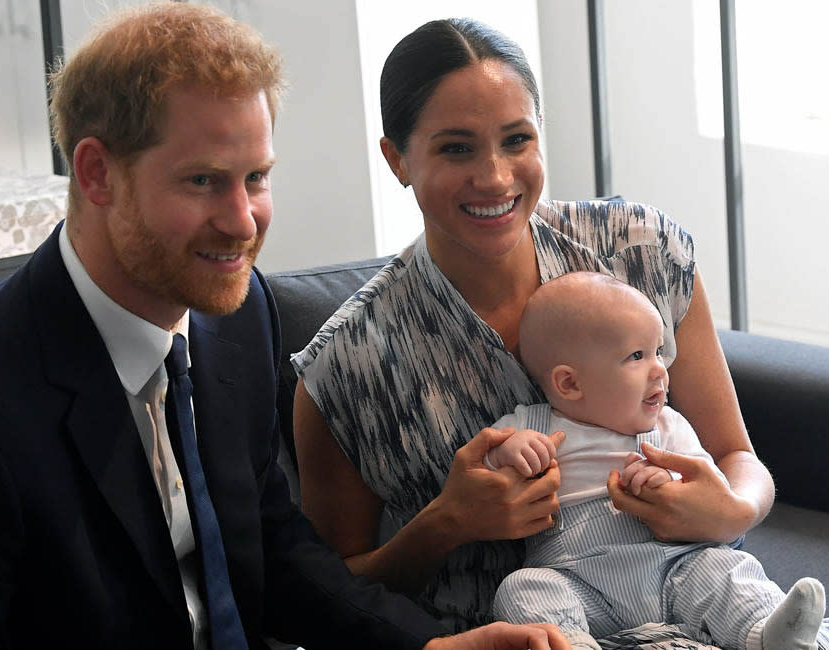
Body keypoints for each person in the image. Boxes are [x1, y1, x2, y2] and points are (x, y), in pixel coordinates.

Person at [0, 5, 571, 649]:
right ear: (97, 172)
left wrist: (430, 645)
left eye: (257, 178)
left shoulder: (237, 316)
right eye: (204, 182)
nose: (244, 223)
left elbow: (273, 552)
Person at [292, 17, 777, 635]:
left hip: (696, 612)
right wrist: (446, 523)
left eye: (517, 139)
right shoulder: (346, 365)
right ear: (397, 159)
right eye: (456, 147)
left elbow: (738, 455)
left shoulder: (642, 252)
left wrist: (731, 510)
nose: (495, 177)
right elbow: (325, 597)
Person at [485, 271, 829, 650]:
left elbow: (707, 488)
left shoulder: (669, 427)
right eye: (636, 356)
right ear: (569, 384)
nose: (659, 369)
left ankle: (767, 634)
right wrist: (509, 452)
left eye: (658, 351)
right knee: (522, 588)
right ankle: (571, 643)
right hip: (578, 579)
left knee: (725, 570)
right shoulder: (530, 426)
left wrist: (668, 484)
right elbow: (483, 469)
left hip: (675, 570)